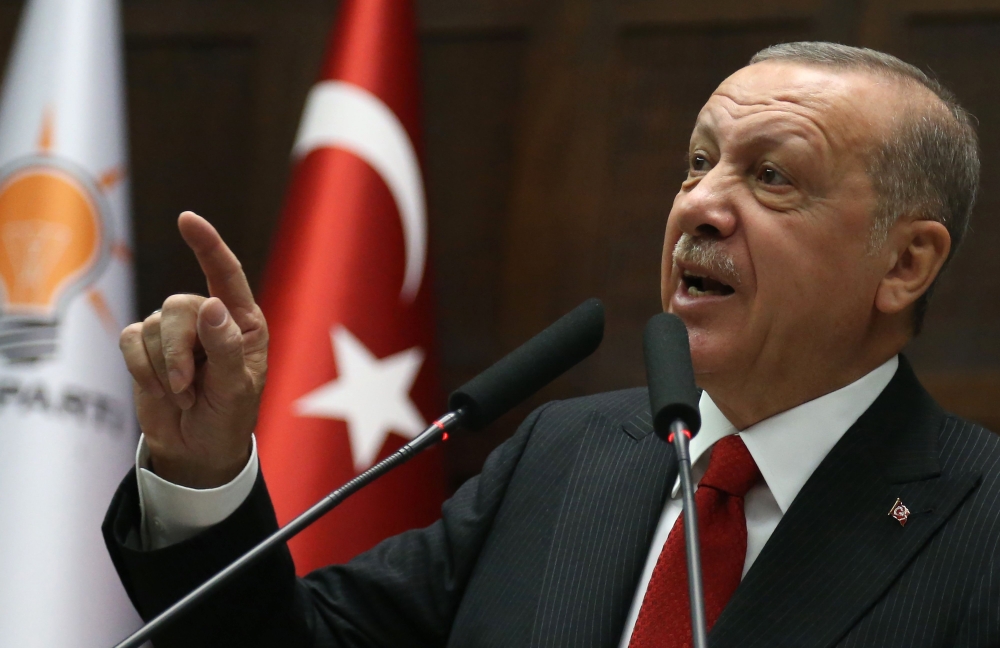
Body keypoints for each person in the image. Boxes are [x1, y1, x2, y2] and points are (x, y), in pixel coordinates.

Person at [104, 42, 1000, 648]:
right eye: (698, 162)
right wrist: (201, 471)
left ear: (906, 262)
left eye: (771, 176)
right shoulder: (563, 455)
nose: (699, 204)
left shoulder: (980, 523)